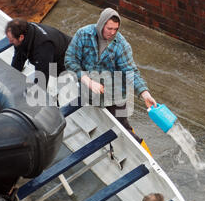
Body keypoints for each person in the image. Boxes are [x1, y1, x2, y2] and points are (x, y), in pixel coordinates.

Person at [64, 8, 157, 143]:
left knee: (124, 129)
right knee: (94, 119)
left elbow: (131, 72)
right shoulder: (83, 34)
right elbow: (70, 60)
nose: (112, 32)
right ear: (101, 24)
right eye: (109, 28)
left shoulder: (121, 45)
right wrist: (87, 80)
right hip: (88, 91)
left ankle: (141, 150)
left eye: (116, 29)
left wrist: (145, 93)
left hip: (115, 96)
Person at [5, 18, 72, 87]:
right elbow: (18, 58)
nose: (10, 42)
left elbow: (41, 80)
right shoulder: (25, 31)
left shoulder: (42, 48)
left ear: (21, 37)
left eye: (12, 40)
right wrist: (11, 78)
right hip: (54, 51)